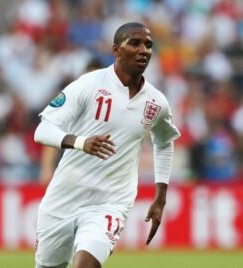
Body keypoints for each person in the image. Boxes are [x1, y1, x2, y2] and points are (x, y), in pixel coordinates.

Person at [34, 22, 180, 268]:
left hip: (110, 203)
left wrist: (161, 197)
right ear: (116, 50)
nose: (144, 50)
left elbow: (164, 142)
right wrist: (80, 142)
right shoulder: (89, 84)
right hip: (63, 198)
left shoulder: (156, 102)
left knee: (86, 265)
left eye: (148, 45)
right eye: (134, 43)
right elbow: (43, 130)